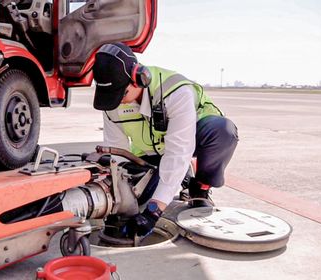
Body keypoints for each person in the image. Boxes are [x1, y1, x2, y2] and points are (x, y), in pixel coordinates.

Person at [92, 42, 238, 237]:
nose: (118, 101)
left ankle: (199, 187)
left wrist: (155, 211)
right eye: (111, 96)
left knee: (222, 131)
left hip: (194, 137)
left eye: (122, 93)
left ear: (139, 78)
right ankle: (179, 173)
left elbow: (179, 150)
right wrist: (117, 196)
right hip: (151, 153)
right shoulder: (112, 103)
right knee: (136, 201)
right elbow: (116, 151)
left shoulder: (174, 91)